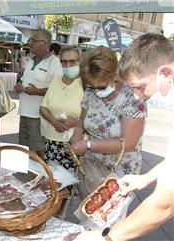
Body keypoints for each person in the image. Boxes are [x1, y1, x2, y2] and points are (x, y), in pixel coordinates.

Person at [67, 33, 174, 241]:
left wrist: (106, 238)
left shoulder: (129, 100)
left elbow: (165, 203)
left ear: (166, 74)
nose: (136, 95)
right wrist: (146, 178)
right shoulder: (91, 93)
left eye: (139, 87)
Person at [69, 46, 146, 197]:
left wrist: (88, 145)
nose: (97, 91)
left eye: (101, 86)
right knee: (88, 212)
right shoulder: (91, 91)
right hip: (92, 167)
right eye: (92, 86)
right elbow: (82, 120)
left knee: (108, 216)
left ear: (114, 74)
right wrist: (76, 137)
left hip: (119, 171)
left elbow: (128, 143)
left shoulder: (133, 96)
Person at [14, 29, 63, 159]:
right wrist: (19, 85)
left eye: (34, 40)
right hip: (24, 112)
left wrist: (37, 91)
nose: (31, 43)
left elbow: (59, 89)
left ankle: (43, 176)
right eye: (31, 40)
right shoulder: (30, 60)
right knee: (25, 149)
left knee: (39, 150)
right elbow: (25, 80)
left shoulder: (54, 62)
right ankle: (29, 176)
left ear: (45, 43)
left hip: (39, 115)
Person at [39, 46, 84, 174]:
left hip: (74, 144)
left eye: (72, 61)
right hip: (51, 141)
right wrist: (54, 122)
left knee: (70, 184)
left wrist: (75, 122)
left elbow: (95, 117)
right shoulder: (56, 81)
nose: (68, 65)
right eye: (64, 61)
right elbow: (43, 108)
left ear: (80, 61)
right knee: (51, 183)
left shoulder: (87, 85)